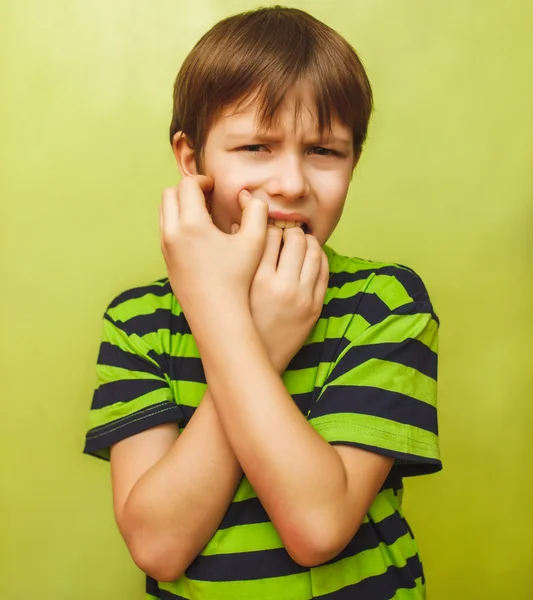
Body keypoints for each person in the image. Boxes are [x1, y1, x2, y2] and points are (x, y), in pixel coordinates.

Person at [83, 6, 441, 599]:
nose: (293, 182)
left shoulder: (384, 304)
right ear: (193, 161)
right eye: (256, 146)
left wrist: (228, 328)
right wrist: (254, 333)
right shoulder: (137, 323)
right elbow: (158, 546)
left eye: (325, 150)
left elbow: (318, 527)